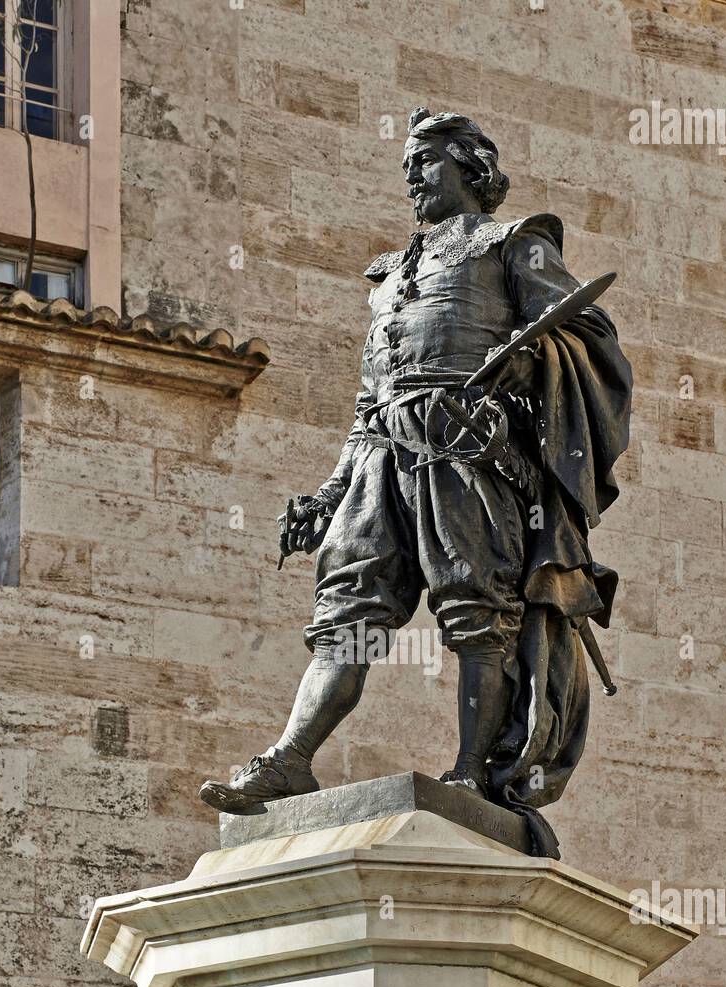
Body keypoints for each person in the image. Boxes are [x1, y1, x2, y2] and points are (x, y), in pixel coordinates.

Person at [199, 108, 633, 855]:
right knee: (349, 611)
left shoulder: (511, 244)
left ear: (471, 169)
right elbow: (370, 403)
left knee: (476, 609)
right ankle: (291, 761)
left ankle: (468, 774)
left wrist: (527, 365)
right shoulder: (390, 276)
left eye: (426, 160)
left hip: (466, 452)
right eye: (406, 162)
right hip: (382, 455)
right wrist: (331, 494)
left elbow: (587, 337)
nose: (410, 174)